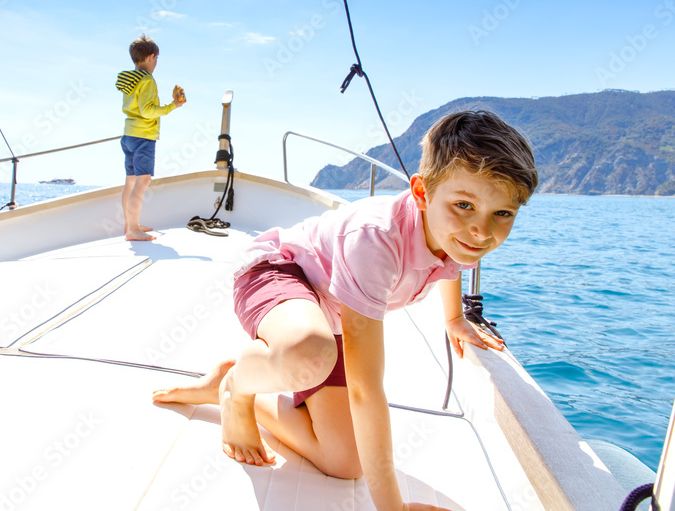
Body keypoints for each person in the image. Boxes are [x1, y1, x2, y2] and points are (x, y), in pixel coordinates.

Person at [152, 110, 537, 511]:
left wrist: (454, 319)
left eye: (503, 214)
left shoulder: (459, 234)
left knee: (346, 462)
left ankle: (227, 379)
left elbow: (453, 265)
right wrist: (393, 507)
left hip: (332, 313)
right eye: (464, 205)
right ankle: (238, 388)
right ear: (421, 193)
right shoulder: (375, 241)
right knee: (309, 351)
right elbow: (365, 389)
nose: (482, 231)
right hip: (278, 271)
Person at [116, 35, 185, 241]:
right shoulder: (147, 80)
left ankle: (130, 224)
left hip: (129, 135)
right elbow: (147, 111)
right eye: (156, 59)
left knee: (130, 182)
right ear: (150, 57)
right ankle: (132, 230)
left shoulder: (131, 80)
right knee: (142, 182)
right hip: (143, 137)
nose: (156, 63)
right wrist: (173, 106)